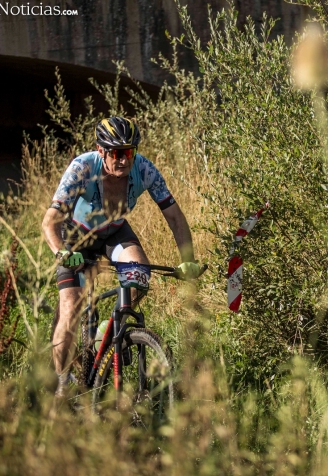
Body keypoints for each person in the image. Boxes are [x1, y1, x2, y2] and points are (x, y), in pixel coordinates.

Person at [42, 116, 201, 396]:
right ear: (101, 150)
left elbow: (174, 216)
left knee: (139, 275)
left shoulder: (144, 170)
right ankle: (63, 386)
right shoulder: (82, 167)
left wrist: (187, 257)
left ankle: (109, 331)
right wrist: (62, 253)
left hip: (113, 232)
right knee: (70, 308)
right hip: (74, 237)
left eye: (129, 152)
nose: (123, 159)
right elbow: (50, 221)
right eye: (115, 153)